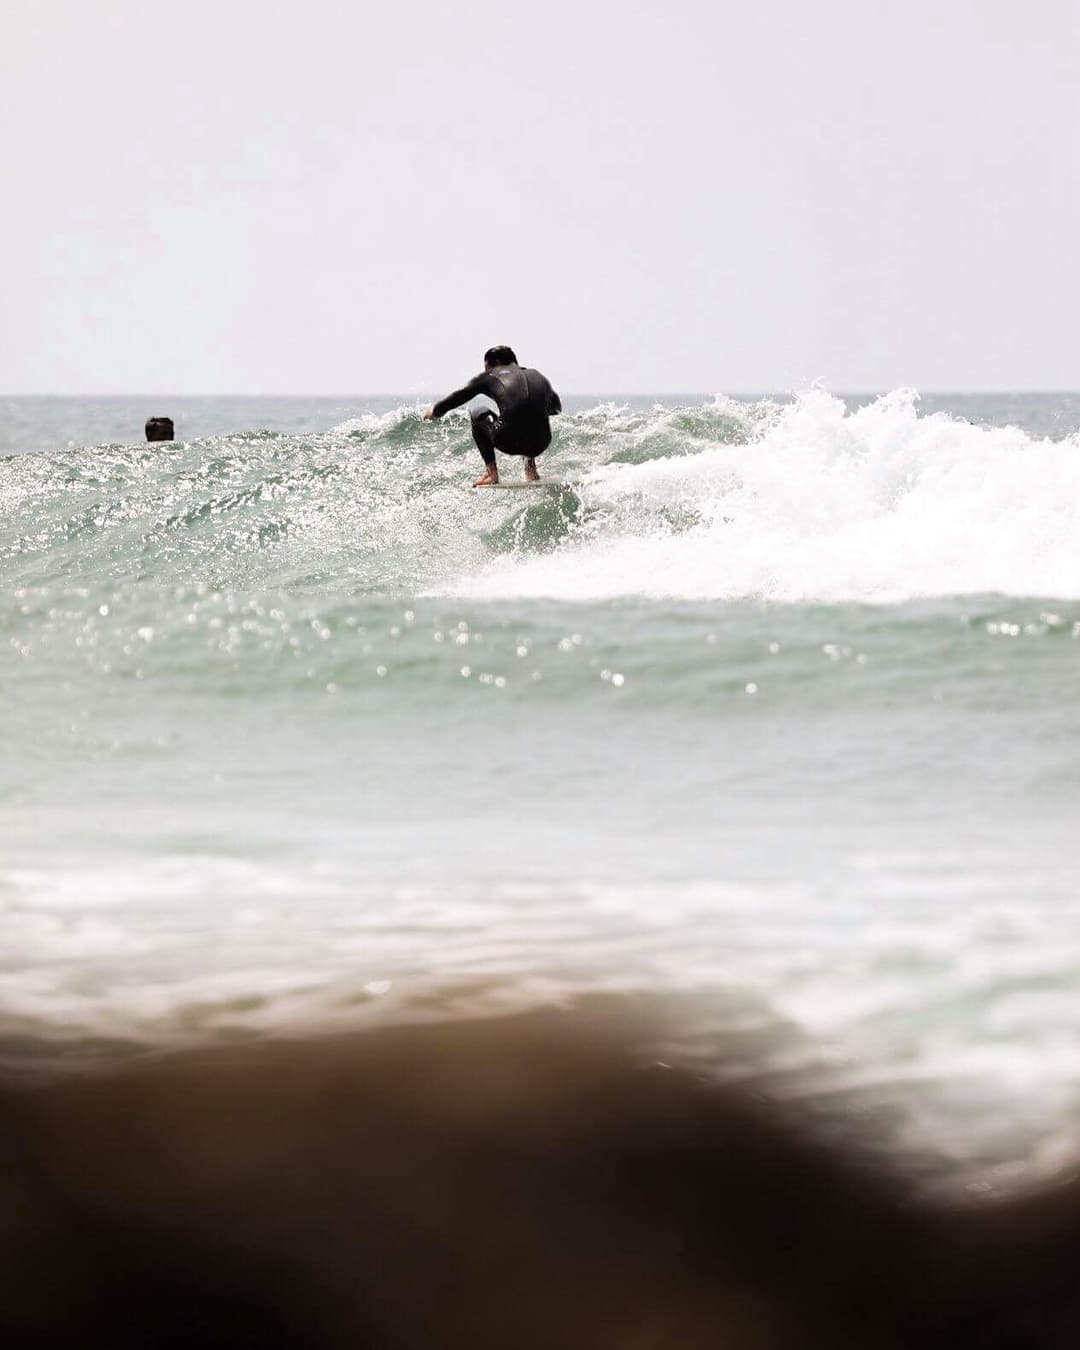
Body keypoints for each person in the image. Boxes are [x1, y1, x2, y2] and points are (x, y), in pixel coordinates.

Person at [424, 346, 561, 486]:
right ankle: (531, 471)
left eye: (486, 367)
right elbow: (556, 408)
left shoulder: (491, 375)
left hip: (508, 440)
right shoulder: (536, 375)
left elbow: (459, 397)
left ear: (495, 363)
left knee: (479, 412)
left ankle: (491, 474)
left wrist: (435, 412)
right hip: (541, 442)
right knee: (527, 417)